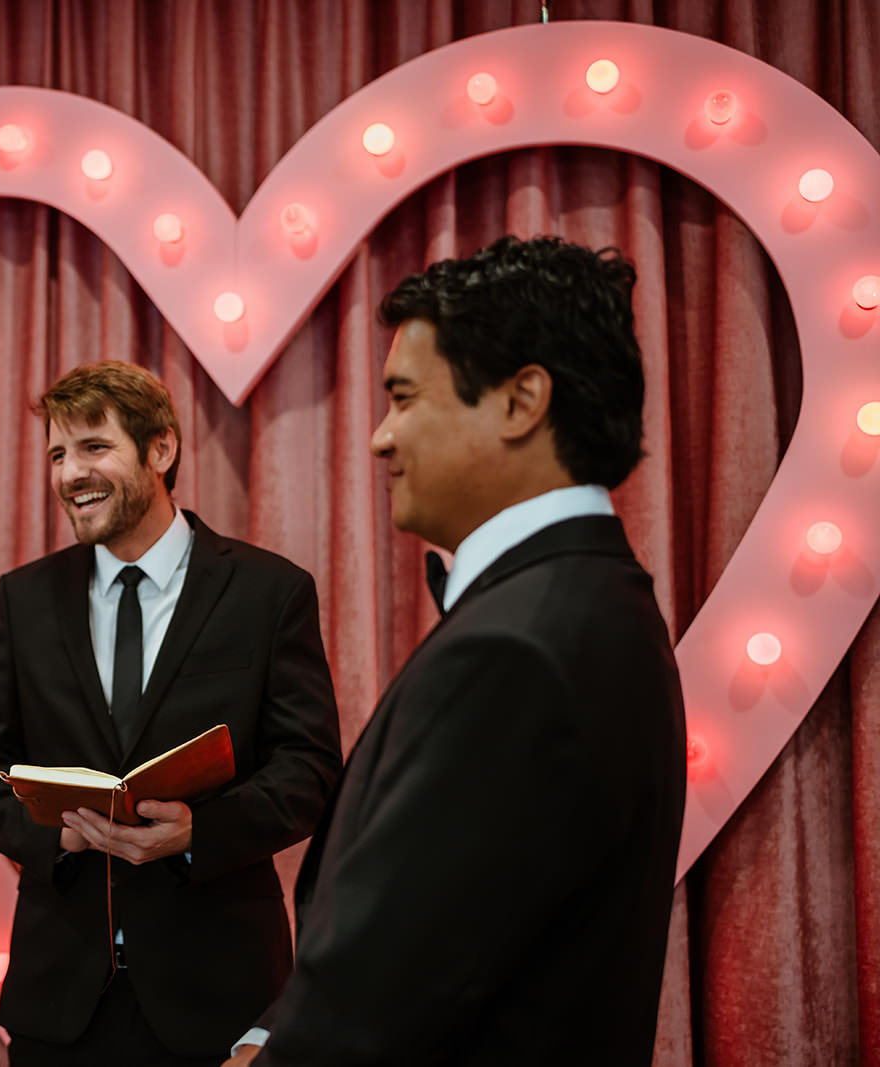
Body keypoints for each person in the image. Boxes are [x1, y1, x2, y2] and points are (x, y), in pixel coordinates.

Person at [227, 235, 687, 1066]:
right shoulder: (589, 601)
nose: (379, 437)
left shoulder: (516, 651)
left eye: (402, 397)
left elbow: (382, 1003)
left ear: (521, 402)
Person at [0, 361, 343, 1066]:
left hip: (221, 998)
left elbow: (309, 770)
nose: (70, 473)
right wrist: (54, 838)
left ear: (161, 449)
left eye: (93, 447)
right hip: (58, 1003)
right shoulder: (25, 598)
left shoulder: (269, 591)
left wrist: (198, 832)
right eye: (57, 454)